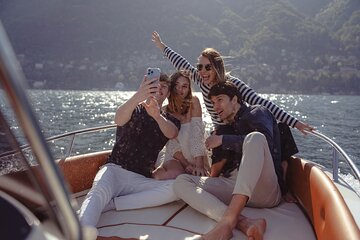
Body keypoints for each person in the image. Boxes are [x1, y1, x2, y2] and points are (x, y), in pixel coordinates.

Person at [173, 81, 285, 240]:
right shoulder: (224, 127)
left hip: (263, 188)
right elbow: (218, 170)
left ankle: (225, 225)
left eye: (220, 100)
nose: (215, 106)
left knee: (255, 138)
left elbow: (266, 140)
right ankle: (244, 223)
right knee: (181, 182)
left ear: (235, 100)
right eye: (212, 102)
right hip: (234, 187)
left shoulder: (257, 112)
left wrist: (222, 140)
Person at [151, 31, 314, 134]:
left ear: (217, 67)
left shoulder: (232, 85)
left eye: (208, 67)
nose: (202, 71)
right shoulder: (201, 81)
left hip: (240, 131)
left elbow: (262, 103)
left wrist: (295, 123)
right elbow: (181, 63)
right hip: (220, 130)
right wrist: (162, 46)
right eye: (200, 66)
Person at [78, 73, 180, 237]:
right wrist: (139, 96)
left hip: (139, 179)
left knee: (176, 189)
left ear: (168, 93)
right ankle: (83, 232)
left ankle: (113, 204)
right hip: (114, 170)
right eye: (155, 84)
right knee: (97, 193)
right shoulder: (134, 108)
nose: (159, 87)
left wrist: (157, 115)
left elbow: (172, 133)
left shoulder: (169, 119)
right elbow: (118, 119)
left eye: (164, 86)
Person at [152, 70, 210, 179]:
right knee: (173, 174)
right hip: (175, 155)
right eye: (177, 86)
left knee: (201, 175)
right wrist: (186, 164)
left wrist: (199, 165)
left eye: (184, 86)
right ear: (171, 88)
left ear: (189, 89)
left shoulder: (194, 102)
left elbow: (197, 135)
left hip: (197, 154)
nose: (180, 90)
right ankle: (152, 173)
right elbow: (172, 145)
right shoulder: (165, 110)